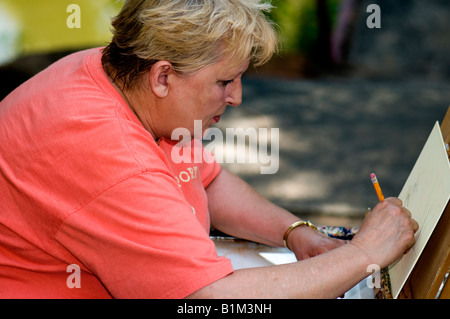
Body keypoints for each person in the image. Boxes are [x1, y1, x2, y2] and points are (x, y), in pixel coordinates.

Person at [0, 0, 418, 299]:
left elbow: (207, 180)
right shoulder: (113, 159)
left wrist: (297, 233)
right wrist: (364, 255)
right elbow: (208, 297)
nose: (236, 97)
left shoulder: (112, 70)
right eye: (224, 82)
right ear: (162, 77)